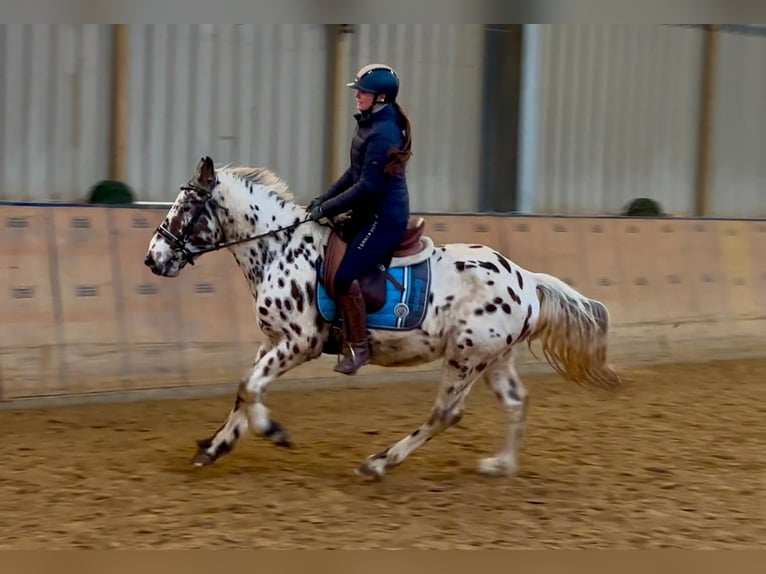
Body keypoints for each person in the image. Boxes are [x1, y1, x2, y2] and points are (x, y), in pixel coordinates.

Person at [307, 63, 413, 375]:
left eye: (362, 92)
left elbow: (368, 186)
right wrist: (323, 200)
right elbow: (353, 174)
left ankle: (360, 347)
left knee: (343, 277)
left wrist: (325, 209)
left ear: (380, 97)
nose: (358, 97)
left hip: (384, 219)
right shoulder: (369, 123)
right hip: (367, 212)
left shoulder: (384, 132)